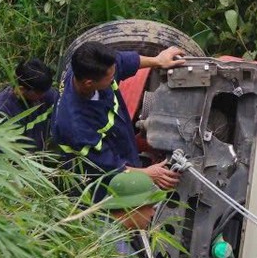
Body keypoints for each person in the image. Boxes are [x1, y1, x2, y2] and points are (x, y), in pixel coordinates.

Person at [51, 41, 185, 200]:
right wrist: (148, 174)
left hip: (118, 135)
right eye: (111, 77)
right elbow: (106, 167)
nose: (115, 75)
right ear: (89, 83)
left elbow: (121, 61)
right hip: (95, 175)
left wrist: (157, 60)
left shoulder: (88, 65)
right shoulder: (74, 126)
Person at [0, 58, 57, 151]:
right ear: (21, 89)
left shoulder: (42, 91)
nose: (44, 95)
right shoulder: (0, 110)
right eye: (39, 93)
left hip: (37, 157)